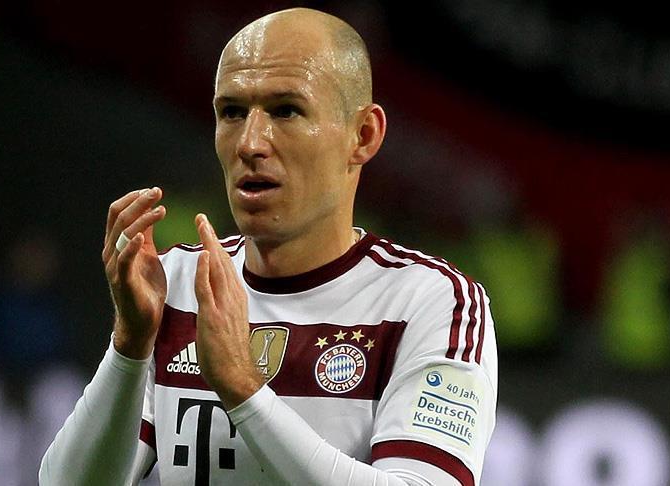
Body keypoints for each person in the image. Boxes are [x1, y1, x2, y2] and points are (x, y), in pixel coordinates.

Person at [39, 7, 497, 486]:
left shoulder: (430, 302)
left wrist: (243, 389)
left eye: (286, 110)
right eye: (232, 112)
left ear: (362, 135)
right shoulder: (179, 286)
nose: (250, 143)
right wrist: (130, 346)